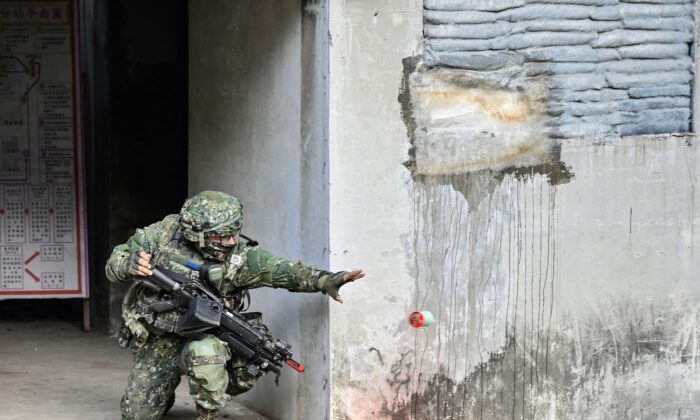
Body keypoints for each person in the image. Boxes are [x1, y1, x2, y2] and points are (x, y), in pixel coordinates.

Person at [105, 190, 365, 420]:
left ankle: (209, 413)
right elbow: (115, 263)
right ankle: (163, 390)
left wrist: (325, 280)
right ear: (197, 234)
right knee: (136, 414)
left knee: (205, 356)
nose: (231, 242)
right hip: (161, 337)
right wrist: (128, 265)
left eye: (234, 234)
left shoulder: (241, 257)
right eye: (222, 237)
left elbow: (284, 271)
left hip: (207, 335)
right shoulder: (162, 235)